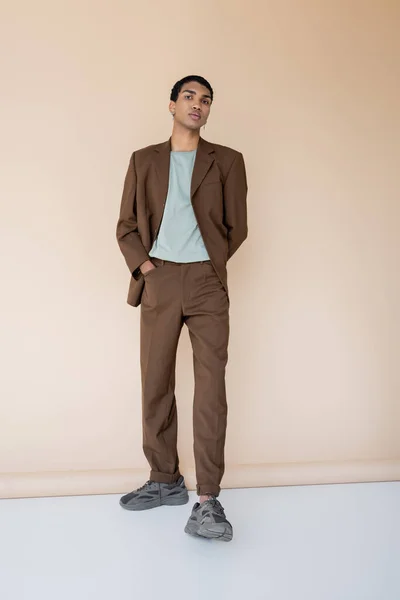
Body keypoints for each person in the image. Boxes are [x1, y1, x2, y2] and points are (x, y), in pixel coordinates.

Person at [116, 75, 248, 542]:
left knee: (211, 389)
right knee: (156, 381)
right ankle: (163, 479)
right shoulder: (144, 160)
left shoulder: (228, 161)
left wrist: (208, 267)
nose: (198, 105)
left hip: (207, 282)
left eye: (206, 100)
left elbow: (237, 227)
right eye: (189, 97)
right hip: (160, 278)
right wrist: (149, 270)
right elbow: (126, 226)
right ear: (172, 104)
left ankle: (208, 501)